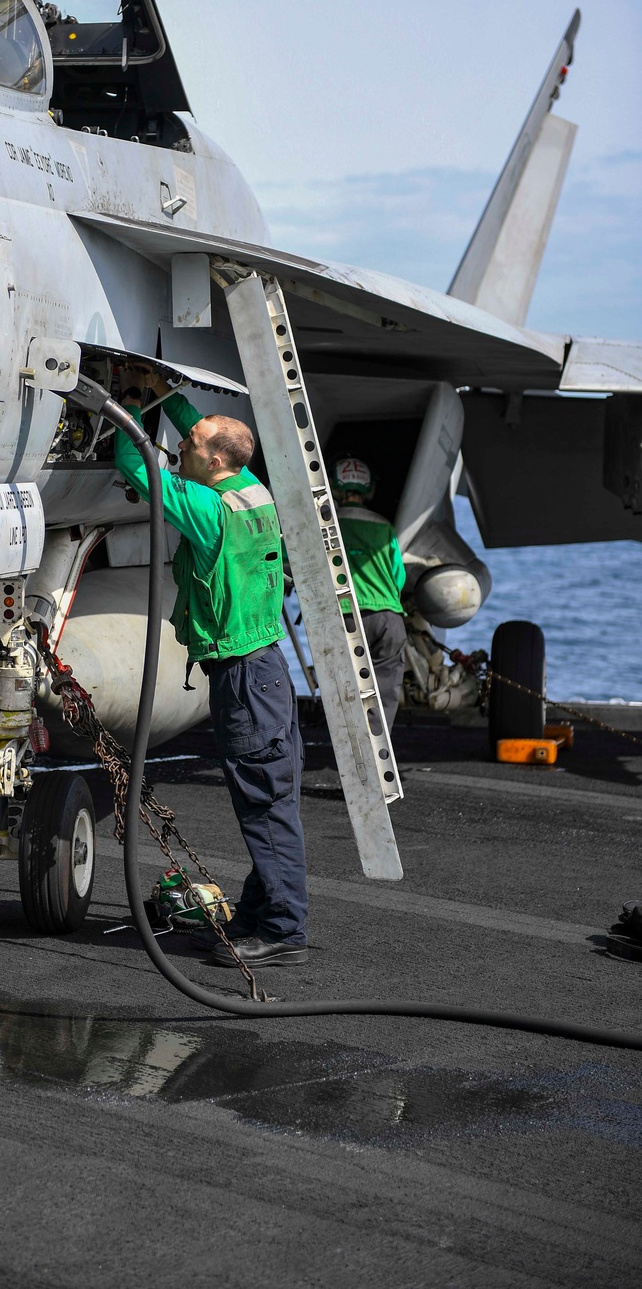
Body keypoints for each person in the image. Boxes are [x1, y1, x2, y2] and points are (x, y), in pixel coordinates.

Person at [113, 369, 307, 968]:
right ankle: (256, 915)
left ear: (216, 461)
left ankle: (281, 930)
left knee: (265, 808)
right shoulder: (251, 489)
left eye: (193, 447)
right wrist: (167, 395)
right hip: (267, 670)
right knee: (270, 800)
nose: (184, 447)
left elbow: (136, 468)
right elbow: (202, 434)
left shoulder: (207, 511)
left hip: (246, 680)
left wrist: (127, 405)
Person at [331, 456, 408, 731]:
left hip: (350, 616)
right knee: (384, 691)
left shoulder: (330, 525)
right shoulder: (384, 526)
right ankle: (379, 750)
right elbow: (399, 575)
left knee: (346, 687)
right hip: (389, 617)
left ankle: (352, 747)